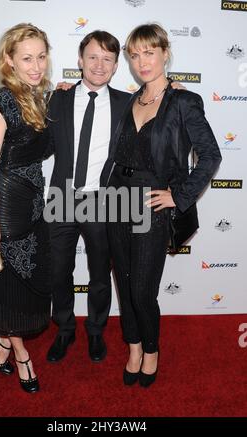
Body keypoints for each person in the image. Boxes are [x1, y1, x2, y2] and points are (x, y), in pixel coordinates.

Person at [105, 23, 222, 387]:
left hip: (152, 202)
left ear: (165, 54)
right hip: (116, 200)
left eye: (149, 53)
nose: (142, 62)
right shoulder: (129, 101)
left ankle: (152, 349)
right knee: (124, 285)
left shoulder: (184, 101)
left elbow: (210, 156)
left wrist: (180, 195)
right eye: (135, 55)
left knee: (142, 288)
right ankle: (134, 346)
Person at [45, 31, 130, 363]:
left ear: (115, 65)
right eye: (93, 56)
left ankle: (96, 331)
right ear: (80, 60)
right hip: (61, 197)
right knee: (58, 272)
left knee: (99, 273)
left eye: (107, 59)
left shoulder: (128, 104)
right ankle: (64, 329)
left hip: (103, 200)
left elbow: (162, 112)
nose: (99, 64)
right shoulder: (57, 99)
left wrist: (177, 91)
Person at [0, 23, 53, 393]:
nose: (36, 65)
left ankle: (1, 341)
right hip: (5, 205)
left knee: (31, 282)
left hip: (35, 203)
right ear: (9, 60)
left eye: (41, 56)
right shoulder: (1, 103)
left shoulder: (40, 97)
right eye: (27, 58)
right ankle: (21, 354)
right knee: (10, 285)